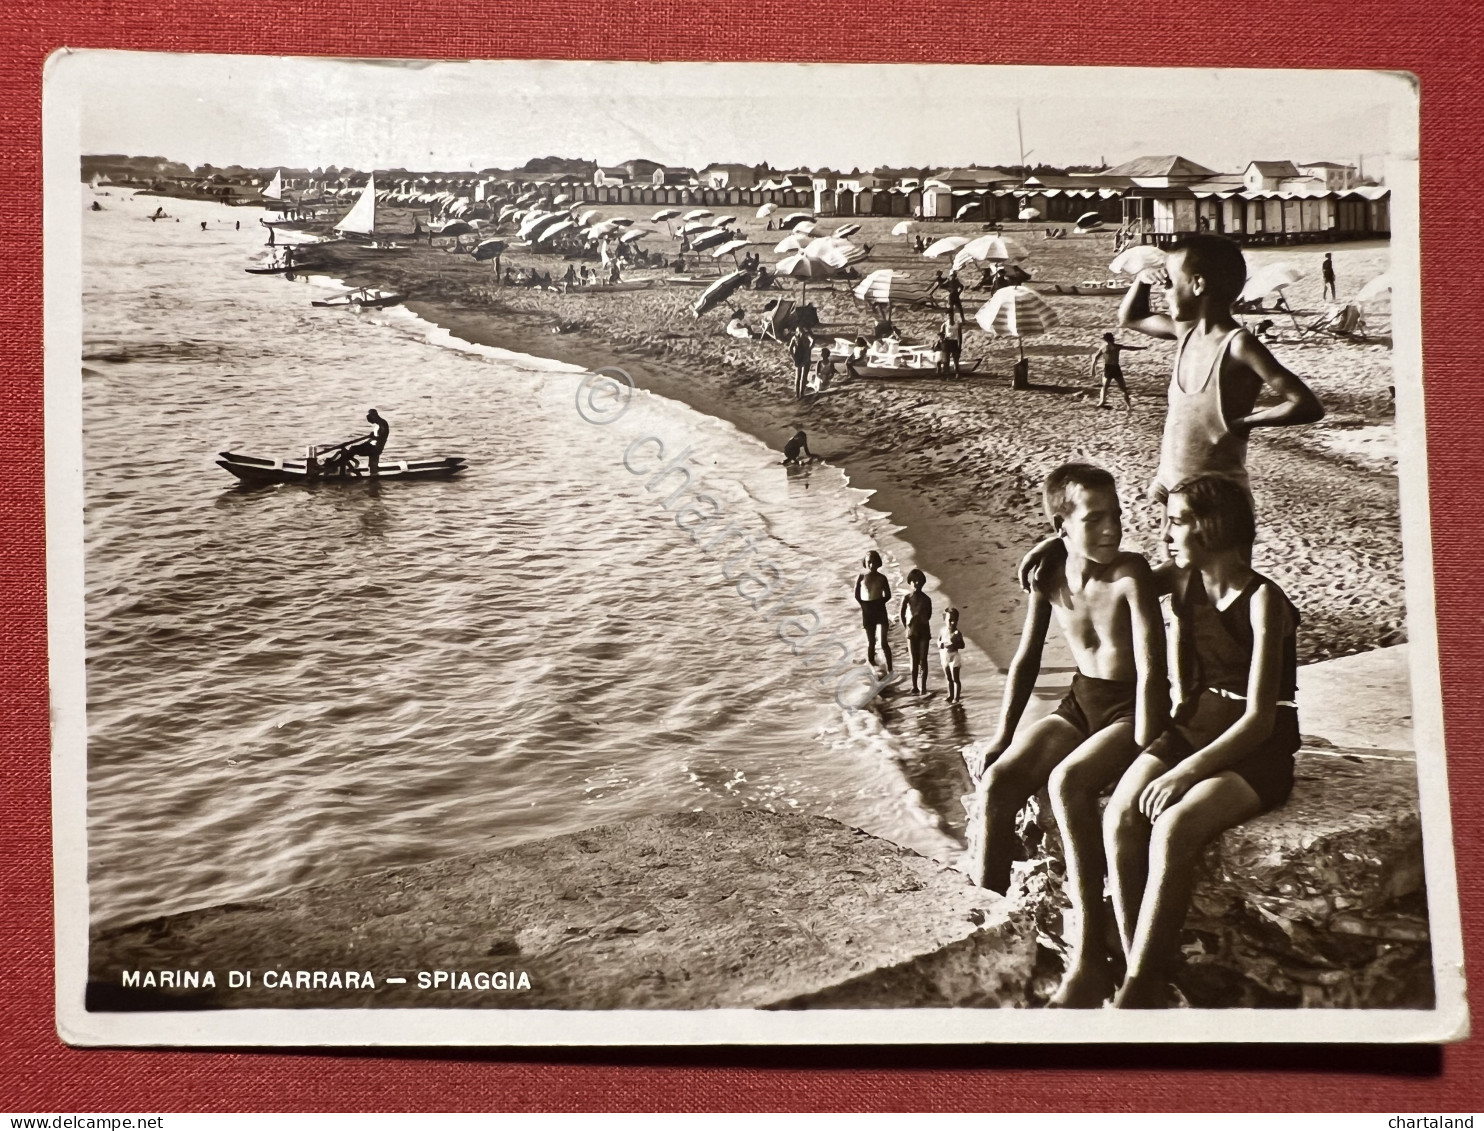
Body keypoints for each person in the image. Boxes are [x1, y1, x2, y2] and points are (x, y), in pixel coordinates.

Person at [966, 463, 1166, 1006]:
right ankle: (986, 933)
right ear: (1061, 527)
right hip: (1082, 701)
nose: (1112, 528)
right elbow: (1026, 658)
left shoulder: (1131, 574)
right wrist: (1001, 736)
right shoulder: (1050, 574)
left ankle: (1090, 960)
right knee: (1000, 782)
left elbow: (1152, 669)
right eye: (1095, 518)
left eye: (1117, 516)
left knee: (1067, 782)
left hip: (1129, 709)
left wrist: (1151, 743)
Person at [1104, 475, 1301, 1008]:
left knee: (1173, 826)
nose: (1164, 533)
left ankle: (1138, 990)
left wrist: (1183, 773)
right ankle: (1138, 965)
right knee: (1119, 815)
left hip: (1255, 745)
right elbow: (1115, 571)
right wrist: (1055, 544)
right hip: (1193, 723)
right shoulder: (1183, 578)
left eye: (1176, 522)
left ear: (1213, 527)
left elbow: (1260, 718)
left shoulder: (1264, 602)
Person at [1119, 234, 1324, 504]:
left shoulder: (1238, 345)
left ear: (1198, 284)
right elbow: (1131, 318)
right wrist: (1142, 280)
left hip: (1217, 495)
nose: (1164, 290)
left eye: (1170, 282)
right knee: (1170, 546)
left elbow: (1306, 405)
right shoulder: (1186, 332)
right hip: (1172, 487)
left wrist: (1245, 423)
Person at [854, 551, 893, 673]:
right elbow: (857, 595)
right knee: (871, 642)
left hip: (880, 608)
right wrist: (863, 604)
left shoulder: (882, 578)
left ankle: (890, 668)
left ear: (878, 562)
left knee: (883, 642)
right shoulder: (861, 578)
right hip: (867, 610)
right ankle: (871, 667)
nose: (871, 564)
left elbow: (888, 595)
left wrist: (879, 603)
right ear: (865, 563)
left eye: (874, 562)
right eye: (869, 562)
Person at [1090, 332, 1149, 410]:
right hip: (1109, 368)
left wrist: (1141, 348)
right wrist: (1093, 369)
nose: (1113, 339)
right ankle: (1102, 402)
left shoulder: (1114, 347)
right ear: (1109, 339)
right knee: (1106, 387)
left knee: (1121, 388)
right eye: (1112, 338)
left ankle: (1128, 405)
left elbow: (1130, 348)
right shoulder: (1105, 348)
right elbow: (1095, 358)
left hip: (1114, 368)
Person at [899, 569, 934, 694]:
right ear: (910, 582)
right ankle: (914, 686)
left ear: (923, 582)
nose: (916, 583)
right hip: (911, 631)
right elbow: (901, 614)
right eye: (914, 581)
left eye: (919, 581)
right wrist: (906, 626)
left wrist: (919, 619)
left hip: (924, 630)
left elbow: (929, 614)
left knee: (923, 659)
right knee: (913, 660)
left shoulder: (926, 599)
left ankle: (923, 687)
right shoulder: (907, 598)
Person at [343, 408, 391, 476]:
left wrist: (373, 437)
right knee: (352, 448)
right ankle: (345, 465)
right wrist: (367, 441)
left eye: (370, 416)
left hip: (375, 448)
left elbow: (381, 437)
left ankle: (343, 466)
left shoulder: (382, 424)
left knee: (353, 449)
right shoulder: (378, 425)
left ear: (374, 416)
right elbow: (374, 437)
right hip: (372, 446)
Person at [938, 607, 965, 704]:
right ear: (944, 620)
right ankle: (950, 695)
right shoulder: (942, 631)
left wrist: (954, 645)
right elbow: (939, 640)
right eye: (950, 620)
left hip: (954, 657)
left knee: (955, 679)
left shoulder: (957, 633)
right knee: (948, 678)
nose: (952, 623)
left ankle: (956, 697)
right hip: (944, 656)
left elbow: (962, 645)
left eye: (954, 620)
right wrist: (940, 644)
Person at [788, 325, 815, 400]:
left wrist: (793, 357)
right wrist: (810, 348)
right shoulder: (806, 336)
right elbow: (813, 340)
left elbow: (790, 349)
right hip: (805, 357)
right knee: (803, 377)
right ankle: (801, 394)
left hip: (798, 358)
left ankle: (797, 395)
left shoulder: (794, 338)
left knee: (798, 377)